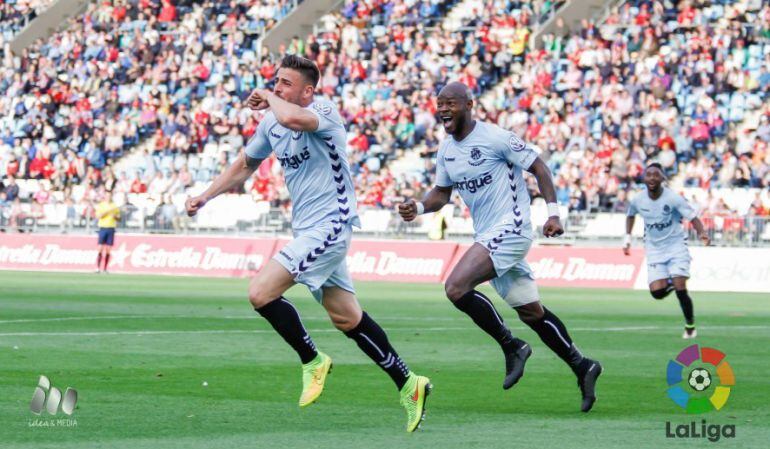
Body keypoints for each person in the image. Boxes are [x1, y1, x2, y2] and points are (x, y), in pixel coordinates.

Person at [185, 55, 431, 432]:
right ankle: (409, 383)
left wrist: (269, 97)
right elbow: (246, 164)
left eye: (285, 83)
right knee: (347, 317)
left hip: (332, 225)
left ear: (308, 91)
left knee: (260, 293)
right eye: (276, 81)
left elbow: (291, 117)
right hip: (308, 231)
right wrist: (206, 195)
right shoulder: (272, 122)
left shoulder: (323, 111)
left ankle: (312, 360)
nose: (278, 87)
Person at [398, 82, 602, 413]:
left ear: (469, 104)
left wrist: (553, 213)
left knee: (455, 287)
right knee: (532, 312)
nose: (444, 109)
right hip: (489, 234)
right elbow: (441, 193)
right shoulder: (447, 150)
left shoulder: (496, 138)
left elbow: (539, 167)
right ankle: (583, 365)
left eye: (450, 103)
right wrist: (418, 208)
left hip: (512, 228)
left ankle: (512, 346)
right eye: (440, 104)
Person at [624, 163, 710, 339]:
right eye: (649, 175)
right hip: (654, 249)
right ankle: (673, 281)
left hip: (676, 245)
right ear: (644, 178)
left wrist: (702, 233)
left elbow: (693, 217)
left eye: (656, 175)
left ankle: (690, 325)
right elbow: (630, 215)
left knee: (680, 287)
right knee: (656, 293)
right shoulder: (638, 200)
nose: (652, 178)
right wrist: (627, 238)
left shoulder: (673, 198)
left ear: (663, 178)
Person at [95, 190, 120, 273]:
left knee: (108, 249)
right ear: (105, 196)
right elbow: (98, 216)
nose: (108, 197)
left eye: (110, 195)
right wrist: (106, 213)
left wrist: (115, 216)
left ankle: (105, 268)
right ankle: (98, 268)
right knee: (100, 248)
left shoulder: (114, 206)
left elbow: (119, 218)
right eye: (107, 196)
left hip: (111, 228)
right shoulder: (101, 205)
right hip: (103, 227)